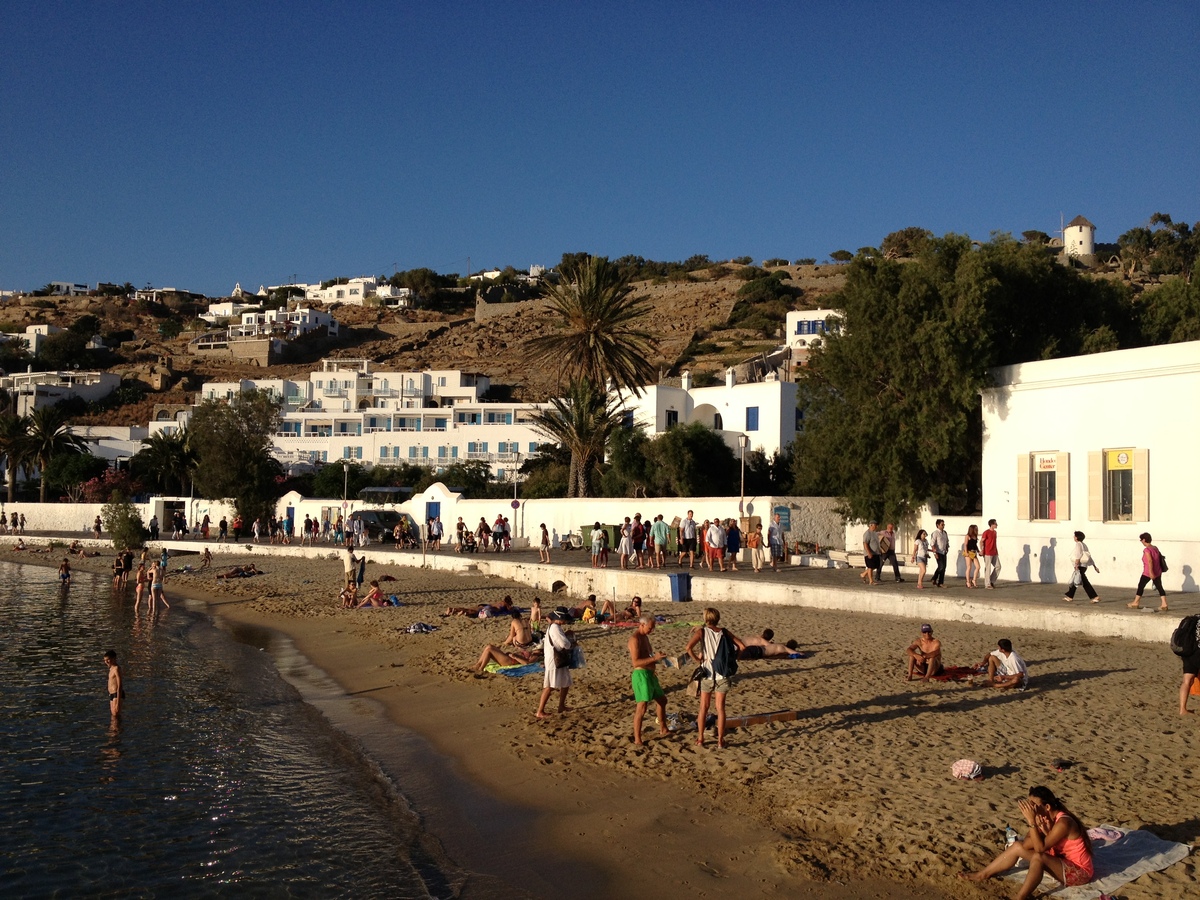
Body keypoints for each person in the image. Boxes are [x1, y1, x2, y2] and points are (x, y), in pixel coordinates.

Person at [959, 786, 1093, 899]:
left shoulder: (1064, 822)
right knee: (1017, 846)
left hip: (1079, 872)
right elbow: (1026, 845)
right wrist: (1037, 827)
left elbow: (1040, 849)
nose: (1030, 809)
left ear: (1047, 807)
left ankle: (1020, 898)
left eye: (1033, 806)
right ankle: (983, 874)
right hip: (1061, 862)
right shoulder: (1045, 817)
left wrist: (1032, 822)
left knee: (1038, 857)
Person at [685, 607, 745, 749]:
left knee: (703, 708)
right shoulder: (724, 632)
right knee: (720, 709)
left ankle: (700, 739)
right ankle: (720, 741)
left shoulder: (702, 632)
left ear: (706, 618)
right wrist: (735, 659)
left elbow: (688, 647)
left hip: (707, 673)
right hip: (722, 674)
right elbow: (742, 646)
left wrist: (697, 660)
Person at [628, 615, 670, 746]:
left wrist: (659, 659)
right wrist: (654, 659)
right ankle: (637, 738)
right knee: (642, 707)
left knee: (662, 700)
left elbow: (648, 656)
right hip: (641, 675)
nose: (651, 631)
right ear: (642, 625)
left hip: (650, 673)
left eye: (653, 628)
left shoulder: (644, 637)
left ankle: (663, 728)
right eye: (650, 628)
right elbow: (635, 662)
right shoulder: (635, 640)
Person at [536, 608, 575, 719]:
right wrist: (571, 643)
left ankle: (561, 706)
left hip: (557, 659)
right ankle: (540, 711)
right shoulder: (555, 628)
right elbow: (564, 644)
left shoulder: (555, 627)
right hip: (554, 660)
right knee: (549, 686)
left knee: (566, 682)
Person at [1128, 532, 1167, 611]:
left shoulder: (1147, 550)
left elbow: (1150, 561)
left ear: (1144, 540)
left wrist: (1151, 572)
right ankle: (1164, 604)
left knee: (1141, 586)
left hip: (1148, 572)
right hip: (1158, 571)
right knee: (1159, 587)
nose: (1141, 541)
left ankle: (1136, 602)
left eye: (1141, 540)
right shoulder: (1155, 548)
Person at [1063, 530, 1100, 603]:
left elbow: (1078, 555)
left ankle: (1095, 596)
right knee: (1075, 580)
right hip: (1084, 566)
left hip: (1080, 565)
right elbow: (1088, 556)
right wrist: (1094, 566)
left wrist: (1076, 565)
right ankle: (1070, 596)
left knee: (1084, 582)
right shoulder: (1084, 544)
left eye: (1074, 536)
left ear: (1077, 537)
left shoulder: (1078, 544)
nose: (1074, 537)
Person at [1179, 614, 1200, 716]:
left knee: (1186, 681)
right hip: (1198, 652)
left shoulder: (1191, 619)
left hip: (1187, 652)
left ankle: (1182, 709)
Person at [104, 650, 125, 718]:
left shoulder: (116, 668)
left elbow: (120, 685)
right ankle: (114, 728)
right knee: (113, 716)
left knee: (116, 715)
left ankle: (118, 728)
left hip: (117, 694)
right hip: (112, 694)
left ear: (114, 658)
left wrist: (118, 702)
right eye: (105, 660)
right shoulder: (111, 669)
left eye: (108, 660)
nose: (106, 662)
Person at [930, 518, 950, 588]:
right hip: (938, 552)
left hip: (944, 552)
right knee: (941, 566)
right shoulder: (935, 533)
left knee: (943, 567)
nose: (943, 526)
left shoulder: (944, 533)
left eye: (943, 524)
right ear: (938, 525)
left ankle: (940, 582)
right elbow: (932, 543)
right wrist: (935, 553)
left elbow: (947, 541)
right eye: (942, 524)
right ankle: (934, 578)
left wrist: (947, 547)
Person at [860, 521, 882, 586]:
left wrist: (879, 550)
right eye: (875, 525)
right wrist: (868, 552)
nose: (876, 526)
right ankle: (871, 581)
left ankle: (863, 574)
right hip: (869, 553)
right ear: (871, 525)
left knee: (875, 566)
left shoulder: (875, 533)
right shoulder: (867, 534)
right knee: (870, 567)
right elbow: (865, 544)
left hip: (876, 553)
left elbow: (876, 543)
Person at [981, 519, 1001, 588]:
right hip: (988, 552)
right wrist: (982, 550)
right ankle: (987, 584)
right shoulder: (986, 532)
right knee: (988, 568)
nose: (996, 525)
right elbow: (981, 541)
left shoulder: (995, 532)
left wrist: (996, 551)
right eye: (995, 524)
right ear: (992, 524)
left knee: (998, 566)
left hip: (994, 552)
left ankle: (992, 581)